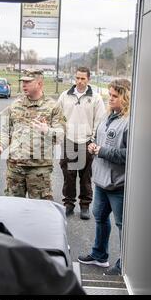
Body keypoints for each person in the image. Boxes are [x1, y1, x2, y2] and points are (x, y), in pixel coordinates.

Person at [78, 79, 131, 275]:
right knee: (100, 218)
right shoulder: (108, 115)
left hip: (119, 184)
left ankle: (126, 264)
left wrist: (102, 151)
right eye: (110, 95)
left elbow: (130, 154)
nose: (111, 99)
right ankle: (100, 255)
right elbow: (99, 139)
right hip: (101, 181)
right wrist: (93, 145)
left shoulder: (130, 122)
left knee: (123, 226)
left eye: (115, 96)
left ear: (126, 98)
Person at [0, 69, 65, 200]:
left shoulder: (53, 106)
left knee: (41, 209)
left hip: (39, 169)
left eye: (28, 82)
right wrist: (1, 145)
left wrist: (47, 130)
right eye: (23, 82)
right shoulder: (15, 105)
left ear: (40, 84)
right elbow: (6, 131)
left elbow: (60, 135)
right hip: (15, 167)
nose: (24, 85)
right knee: (13, 208)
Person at [57, 66, 106, 219]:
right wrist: (61, 135)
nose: (79, 81)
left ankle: (84, 206)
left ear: (88, 79)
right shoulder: (65, 96)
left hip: (86, 142)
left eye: (83, 78)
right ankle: (69, 204)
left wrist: (92, 140)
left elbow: (99, 121)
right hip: (69, 141)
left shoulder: (96, 98)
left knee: (85, 177)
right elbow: (57, 116)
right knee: (68, 176)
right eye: (77, 78)